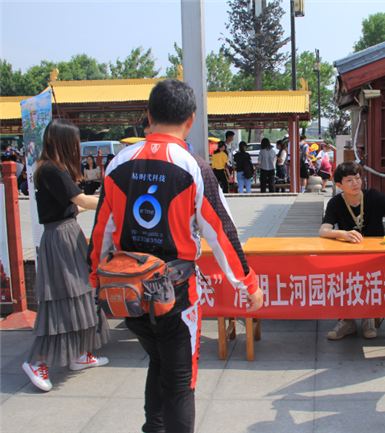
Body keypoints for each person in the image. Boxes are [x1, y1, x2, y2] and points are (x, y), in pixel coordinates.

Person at [88, 79, 263, 433]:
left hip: (128, 293)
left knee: (158, 361)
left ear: (149, 115)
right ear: (191, 119)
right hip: (175, 296)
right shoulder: (194, 167)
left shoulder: (118, 163)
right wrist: (248, 285)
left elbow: (100, 233)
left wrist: (95, 281)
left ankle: (153, 429)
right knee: (182, 380)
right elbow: (222, 234)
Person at [22, 119, 110, 393]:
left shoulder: (50, 168)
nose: (77, 146)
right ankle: (36, 361)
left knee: (81, 293)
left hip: (66, 234)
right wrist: (116, 200)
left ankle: (79, 354)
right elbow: (81, 201)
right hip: (60, 239)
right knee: (62, 299)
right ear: (62, 141)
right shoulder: (51, 169)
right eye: (74, 141)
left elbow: (72, 207)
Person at [320, 161, 385, 340]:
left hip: (376, 256)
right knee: (341, 278)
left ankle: (368, 318)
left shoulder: (372, 196)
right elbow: (323, 230)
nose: (355, 183)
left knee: (372, 280)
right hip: (349, 257)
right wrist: (342, 233)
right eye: (349, 180)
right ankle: (347, 321)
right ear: (339, 185)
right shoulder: (336, 203)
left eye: (358, 178)